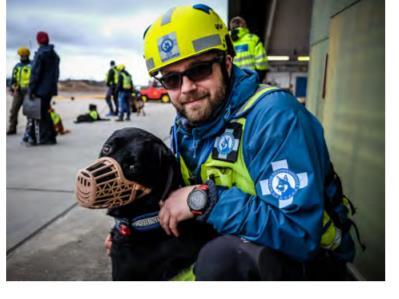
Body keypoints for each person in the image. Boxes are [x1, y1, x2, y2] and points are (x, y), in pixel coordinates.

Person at [105, 4, 357, 281]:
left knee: (223, 260)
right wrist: (133, 231)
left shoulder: (275, 119)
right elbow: (172, 200)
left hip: (308, 263)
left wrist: (204, 200)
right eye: (172, 79)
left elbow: (300, 233)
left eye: (199, 70)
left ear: (226, 62)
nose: (186, 88)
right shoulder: (186, 126)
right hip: (231, 239)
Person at [28, 31, 60, 145]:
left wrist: (31, 89)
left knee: (40, 115)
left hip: (40, 89)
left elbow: (35, 73)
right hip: (50, 89)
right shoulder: (54, 55)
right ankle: (51, 135)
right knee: (45, 112)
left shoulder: (41, 54)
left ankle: (45, 137)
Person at [229, 16, 269, 82]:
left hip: (233, 81)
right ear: (244, 26)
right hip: (251, 79)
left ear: (231, 27)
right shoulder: (254, 39)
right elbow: (262, 63)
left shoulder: (227, 41)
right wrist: (258, 79)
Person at [7, 47, 32, 135]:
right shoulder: (17, 66)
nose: (22, 56)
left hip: (29, 91)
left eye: (24, 55)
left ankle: (29, 130)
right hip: (18, 91)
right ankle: (12, 128)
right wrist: (11, 88)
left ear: (28, 55)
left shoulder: (32, 65)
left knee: (29, 111)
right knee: (13, 110)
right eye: (21, 55)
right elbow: (13, 78)